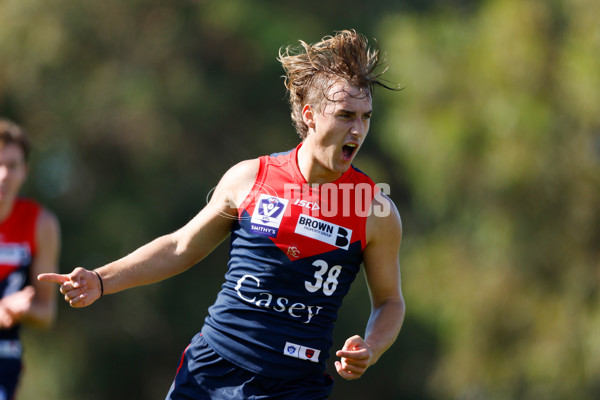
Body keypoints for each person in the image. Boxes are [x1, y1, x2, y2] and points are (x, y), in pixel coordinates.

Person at [39, 29, 405, 399]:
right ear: (310, 116)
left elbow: (390, 301)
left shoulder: (374, 209)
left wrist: (371, 348)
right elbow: (181, 246)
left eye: (365, 117)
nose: (357, 130)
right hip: (211, 371)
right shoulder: (250, 178)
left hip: (295, 387)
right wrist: (100, 280)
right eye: (345, 115)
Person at [0, 119, 61, 400]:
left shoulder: (41, 224)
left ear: (24, 171)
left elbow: (46, 313)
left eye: (12, 166)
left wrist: (19, 310)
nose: (3, 175)